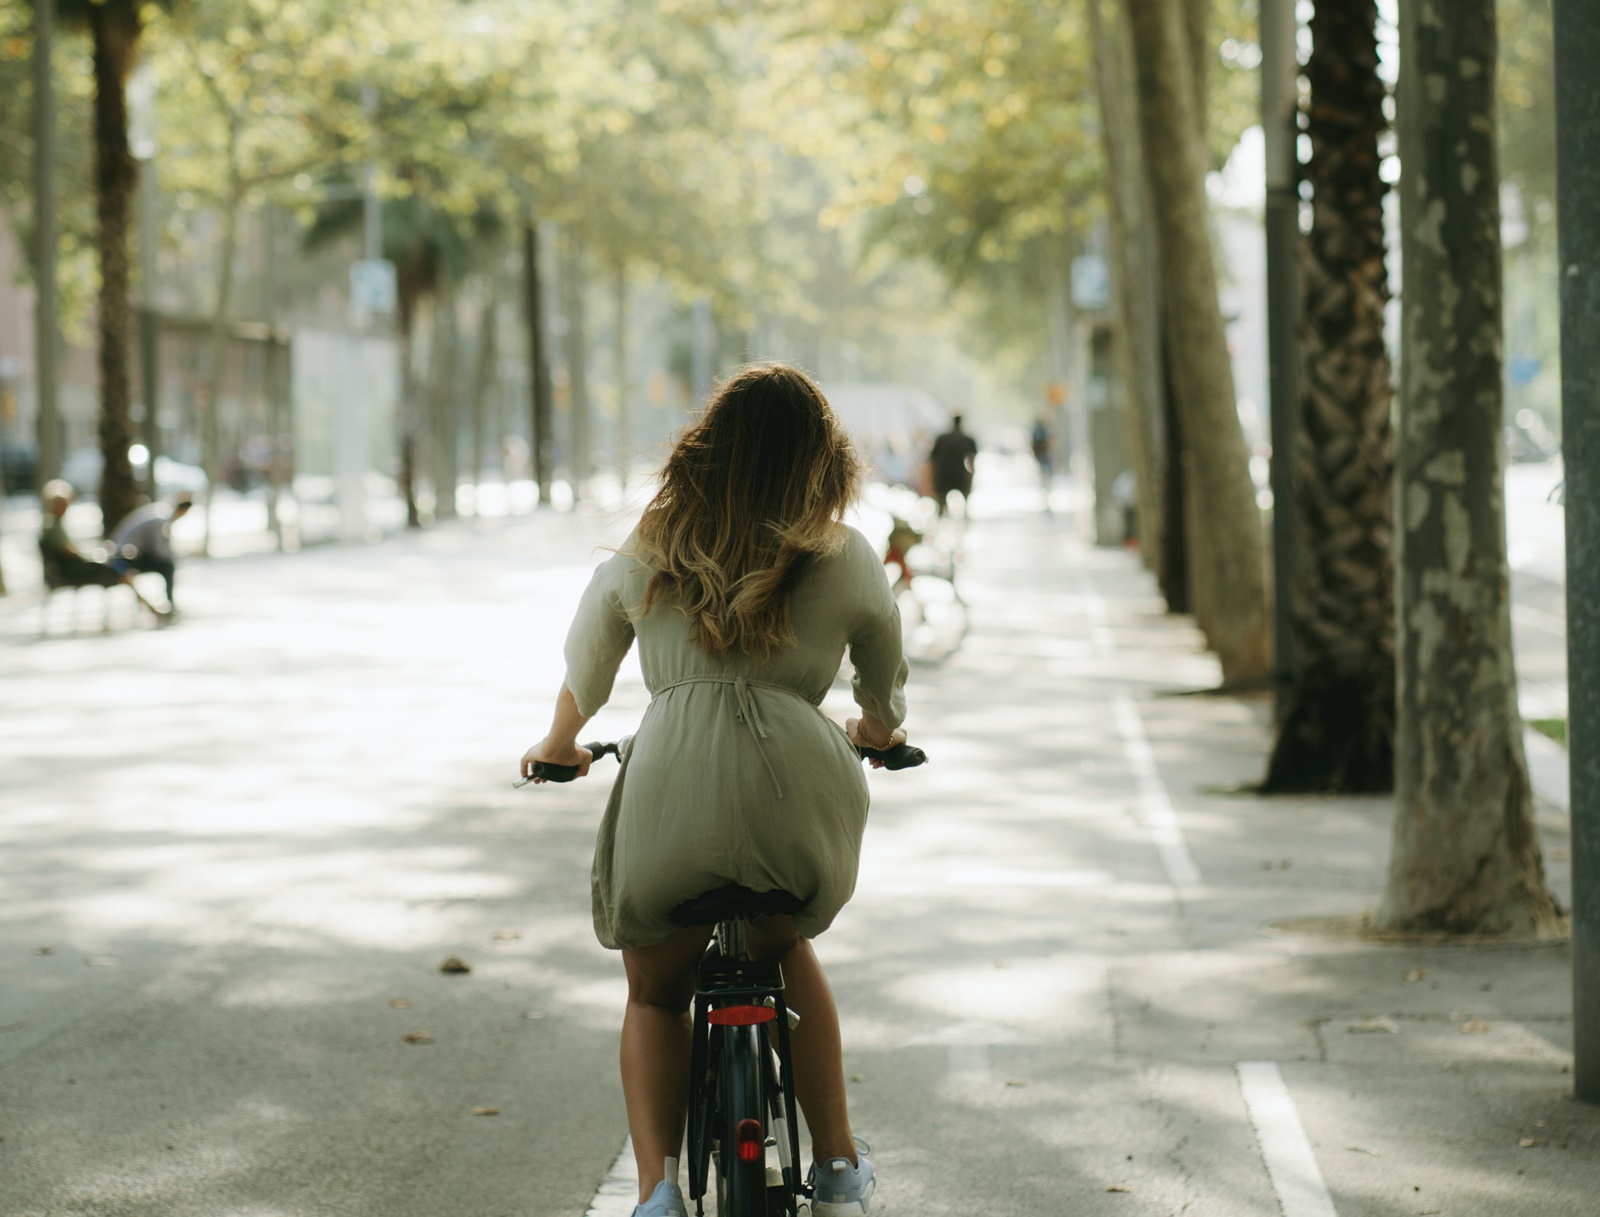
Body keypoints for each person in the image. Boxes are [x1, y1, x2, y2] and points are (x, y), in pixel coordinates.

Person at [520, 364, 908, 1217]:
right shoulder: (842, 551)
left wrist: (558, 747)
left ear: (708, 448)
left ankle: (658, 1192)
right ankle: (839, 1164)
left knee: (656, 990)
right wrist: (878, 735)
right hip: (794, 802)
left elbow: (588, 661)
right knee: (783, 947)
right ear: (822, 456)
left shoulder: (655, 539)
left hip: (670, 788)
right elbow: (882, 689)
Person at [38, 479, 135, 592]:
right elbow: (67, 550)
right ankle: (138, 594)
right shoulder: (52, 526)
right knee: (111, 568)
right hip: (71, 570)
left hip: (71, 566)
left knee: (113, 565)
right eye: (61, 504)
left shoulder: (54, 524)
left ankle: (137, 592)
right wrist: (87, 554)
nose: (65, 507)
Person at [109, 493, 192, 612]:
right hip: (125, 555)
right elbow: (158, 549)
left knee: (166, 564)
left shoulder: (158, 510)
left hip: (125, 550)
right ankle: (170, 604)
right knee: (168, 567)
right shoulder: (160, 519)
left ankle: (168, 604)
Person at [928, 413, 977, 517]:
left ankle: (941, 526)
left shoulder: (941, 439)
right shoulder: (968, 440)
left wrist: (931, 480)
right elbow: (971, 461)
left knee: (940, 508)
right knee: (964, 510)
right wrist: (970, 479)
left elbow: (932, 461)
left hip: (942, 475)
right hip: (960, 476)